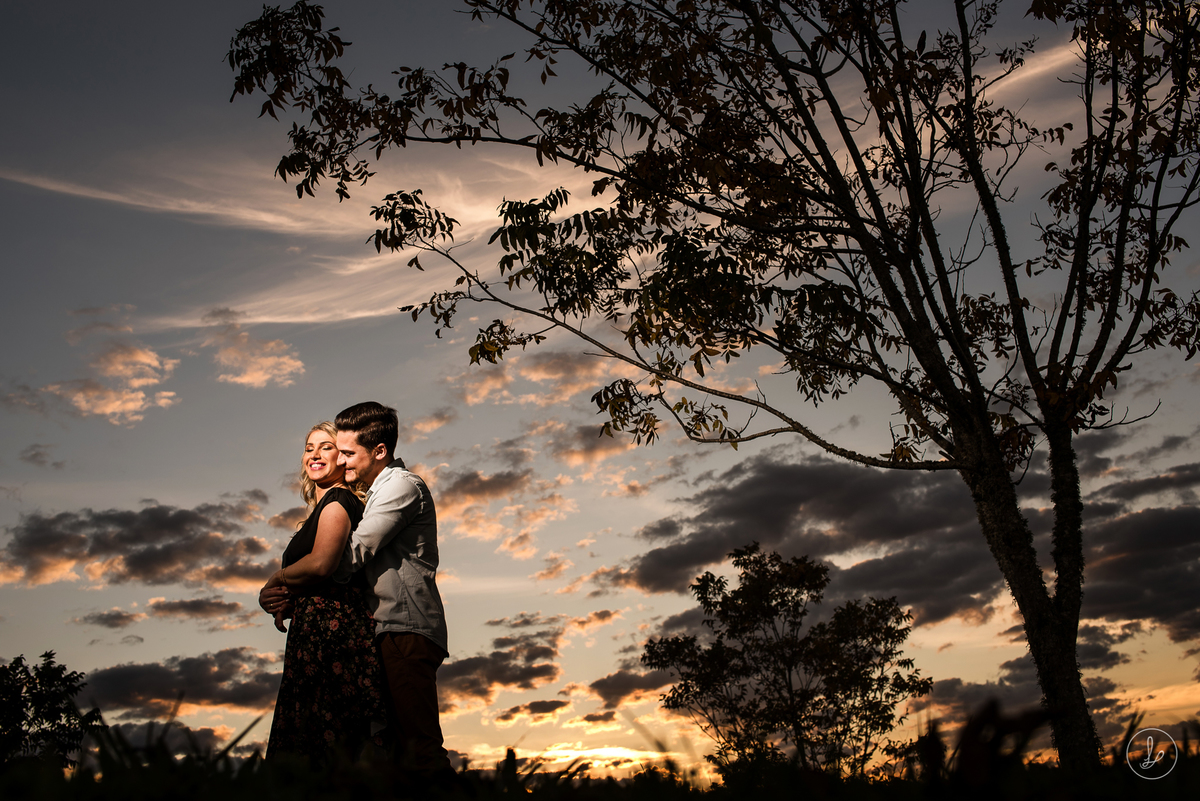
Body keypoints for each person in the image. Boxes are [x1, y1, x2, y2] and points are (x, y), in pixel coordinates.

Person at [330, 401, 453, 776]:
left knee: (419, 749)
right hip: (393, 628)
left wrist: (289, 581)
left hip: (405, 628)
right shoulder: (379, 489)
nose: (341, 462)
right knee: (400, 755)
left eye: (349, 454)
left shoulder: (400, 486)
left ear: (380, 451)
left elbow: (353, 553)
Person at [258, 421, 388, 763]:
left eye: (325, 446)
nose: (314, 454)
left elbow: (321, 564)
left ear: (343, 458)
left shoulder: (338, 501)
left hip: (333, 636)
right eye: (308, 447)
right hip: (312, 635)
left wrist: (276, 579)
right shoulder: (320, 510)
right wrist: (285, 597)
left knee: (328, 744)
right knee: (311, 740)